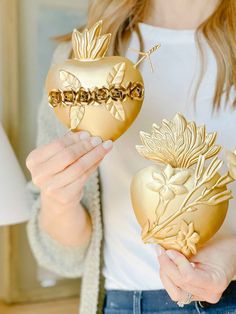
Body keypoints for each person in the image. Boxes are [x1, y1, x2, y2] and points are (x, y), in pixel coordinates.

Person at [25, 0, 236, 313]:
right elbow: (65, 258)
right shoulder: (76, 66)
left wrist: (232, 255)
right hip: (123, 303)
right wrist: (58, 199)